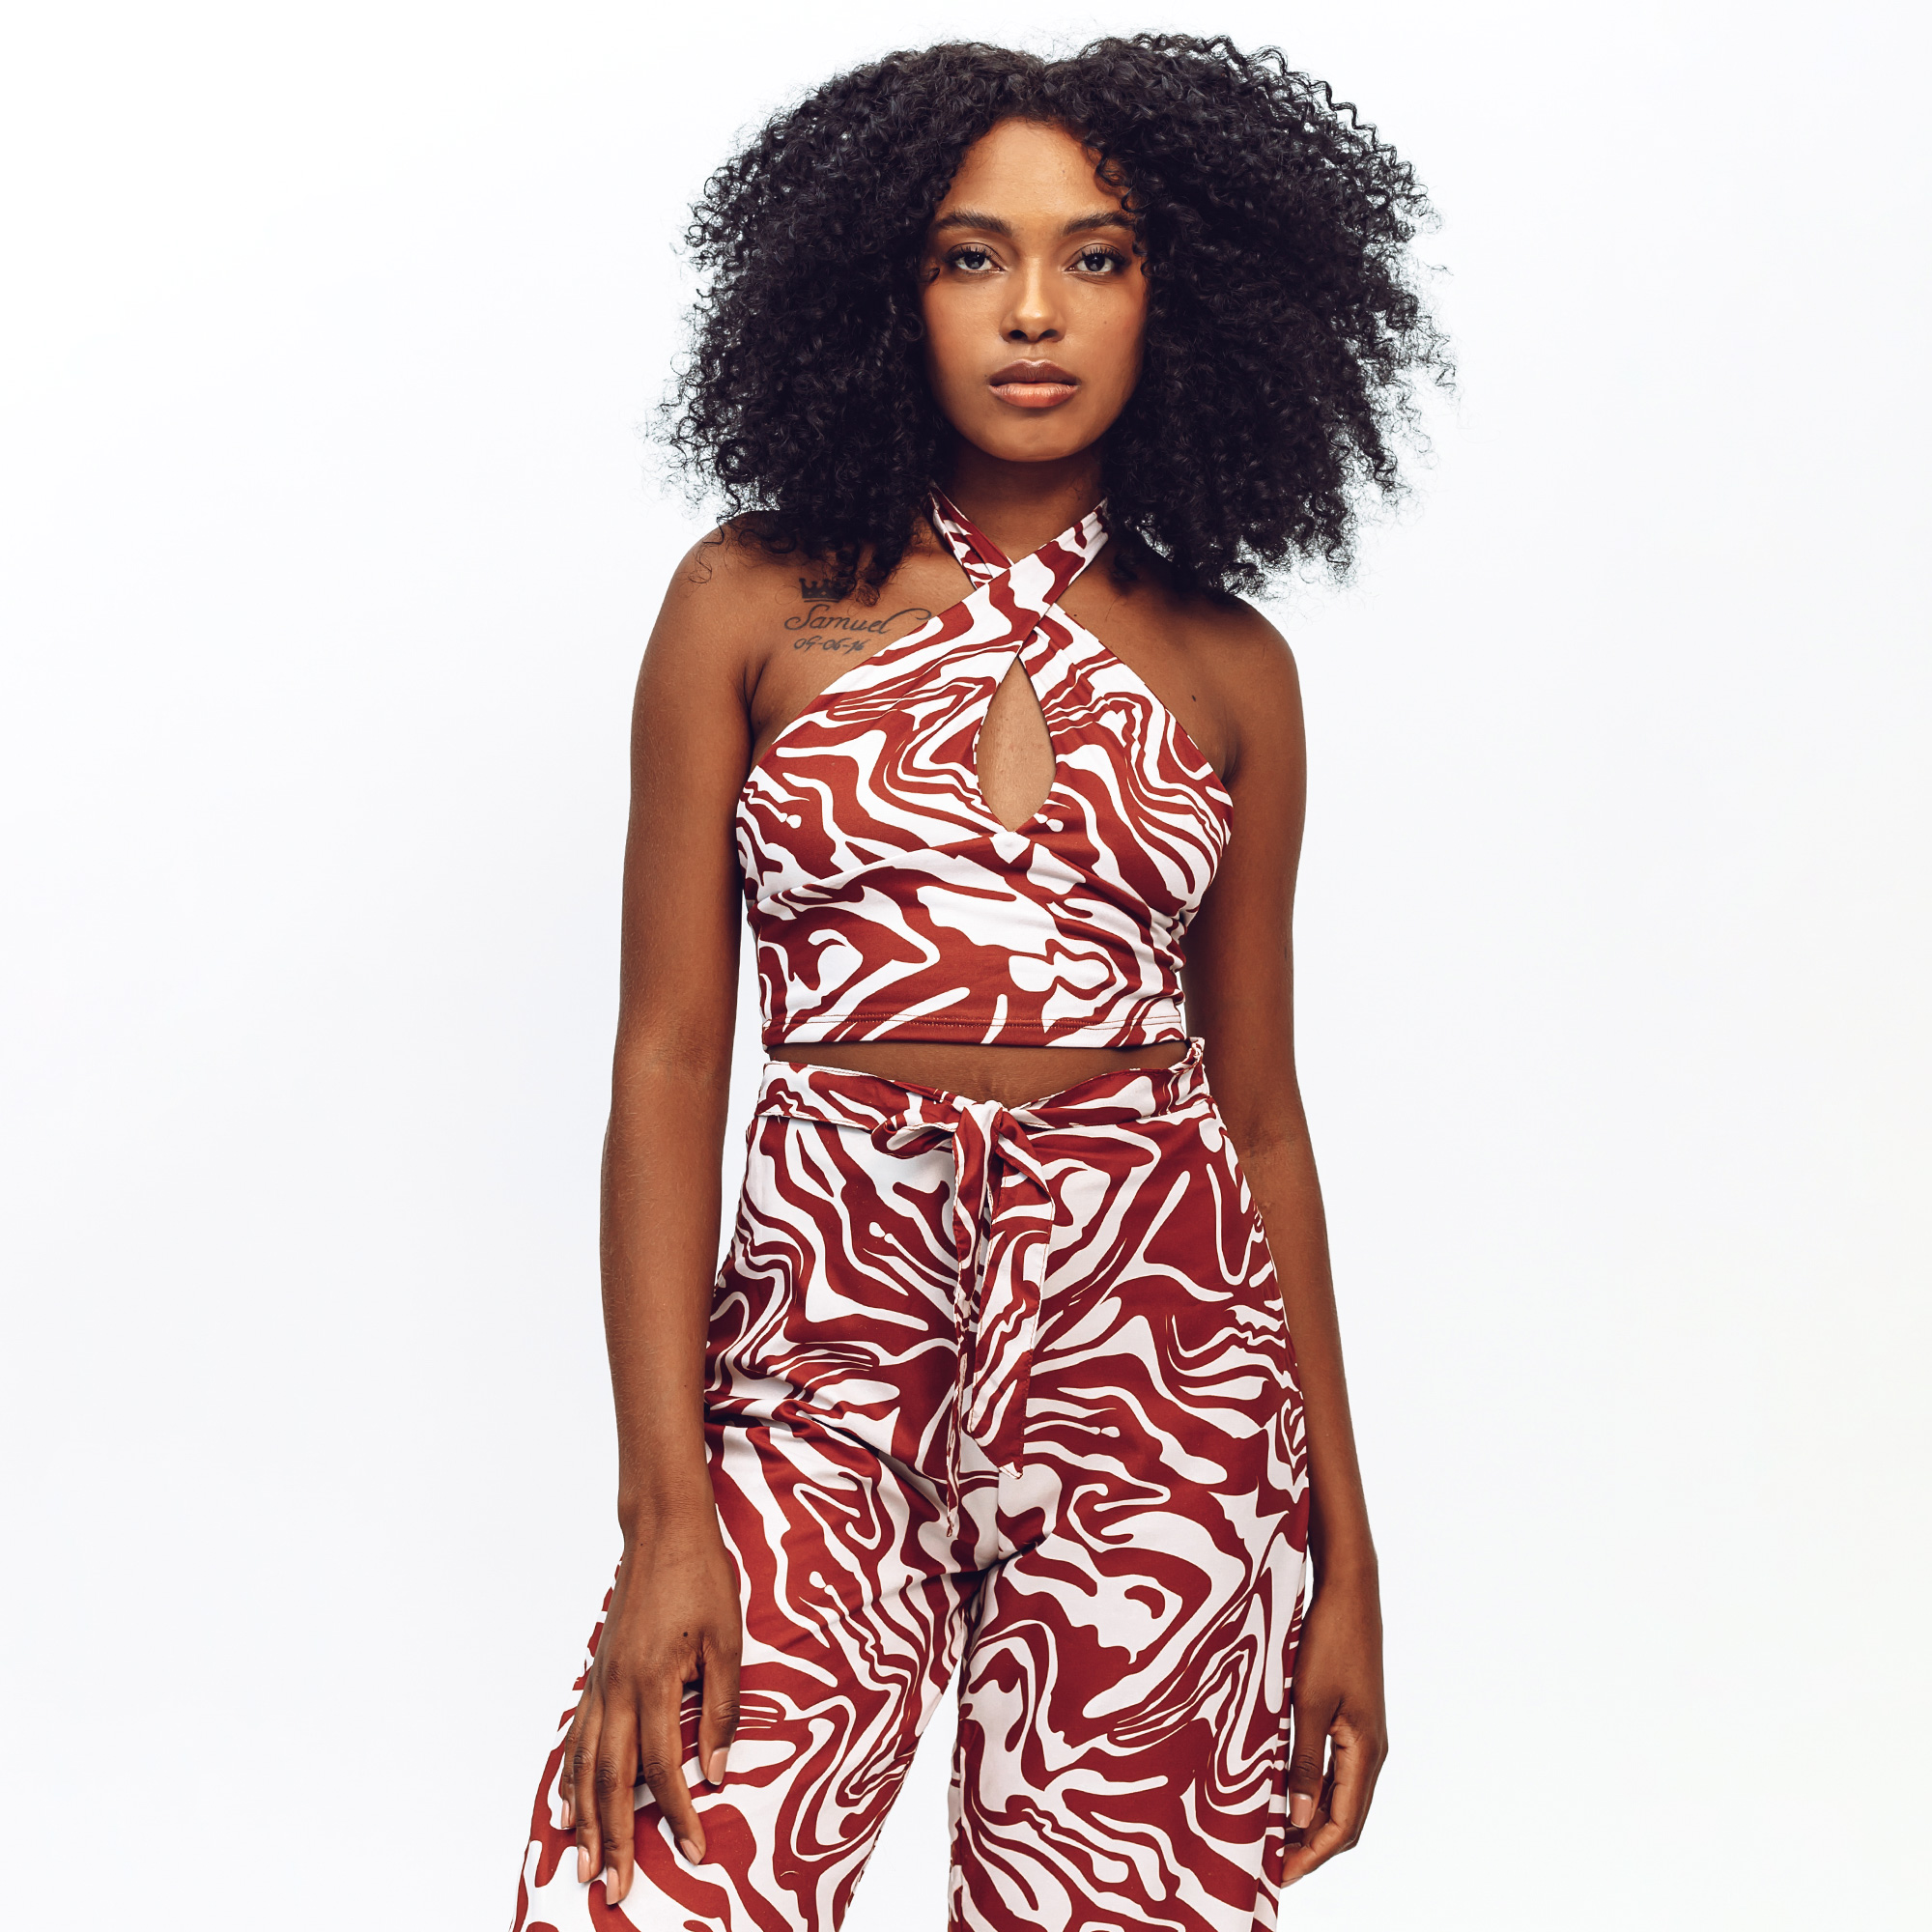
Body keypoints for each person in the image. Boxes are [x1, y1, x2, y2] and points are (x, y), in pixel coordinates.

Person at [510, 34, 1445, 1932]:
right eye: (971, 256)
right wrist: (666, 1515)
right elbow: (670, 1059)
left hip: (1159, 1376)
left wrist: (1343, 1555)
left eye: (1097, 256)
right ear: (886, 288)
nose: (1034, 312)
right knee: (649, 1880)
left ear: (1182, 293)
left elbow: (1260, 1118)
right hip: (825, 1347)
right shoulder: (749, 604)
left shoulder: (1229, 669)